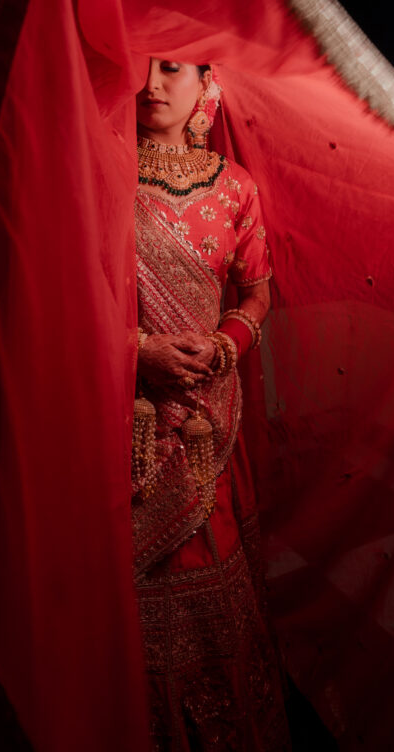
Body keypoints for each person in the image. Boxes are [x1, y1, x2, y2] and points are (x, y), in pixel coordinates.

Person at [132, 57, 291, 751]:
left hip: (206, 425)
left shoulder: (235, 187)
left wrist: (226, 344)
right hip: (122, 422)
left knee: (215, 573)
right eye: (140, 67)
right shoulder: (101, 174)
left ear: (208, 85)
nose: (150, 85)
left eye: (169, 69)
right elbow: (62, 292)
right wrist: (137, 350)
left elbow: (257, 292)